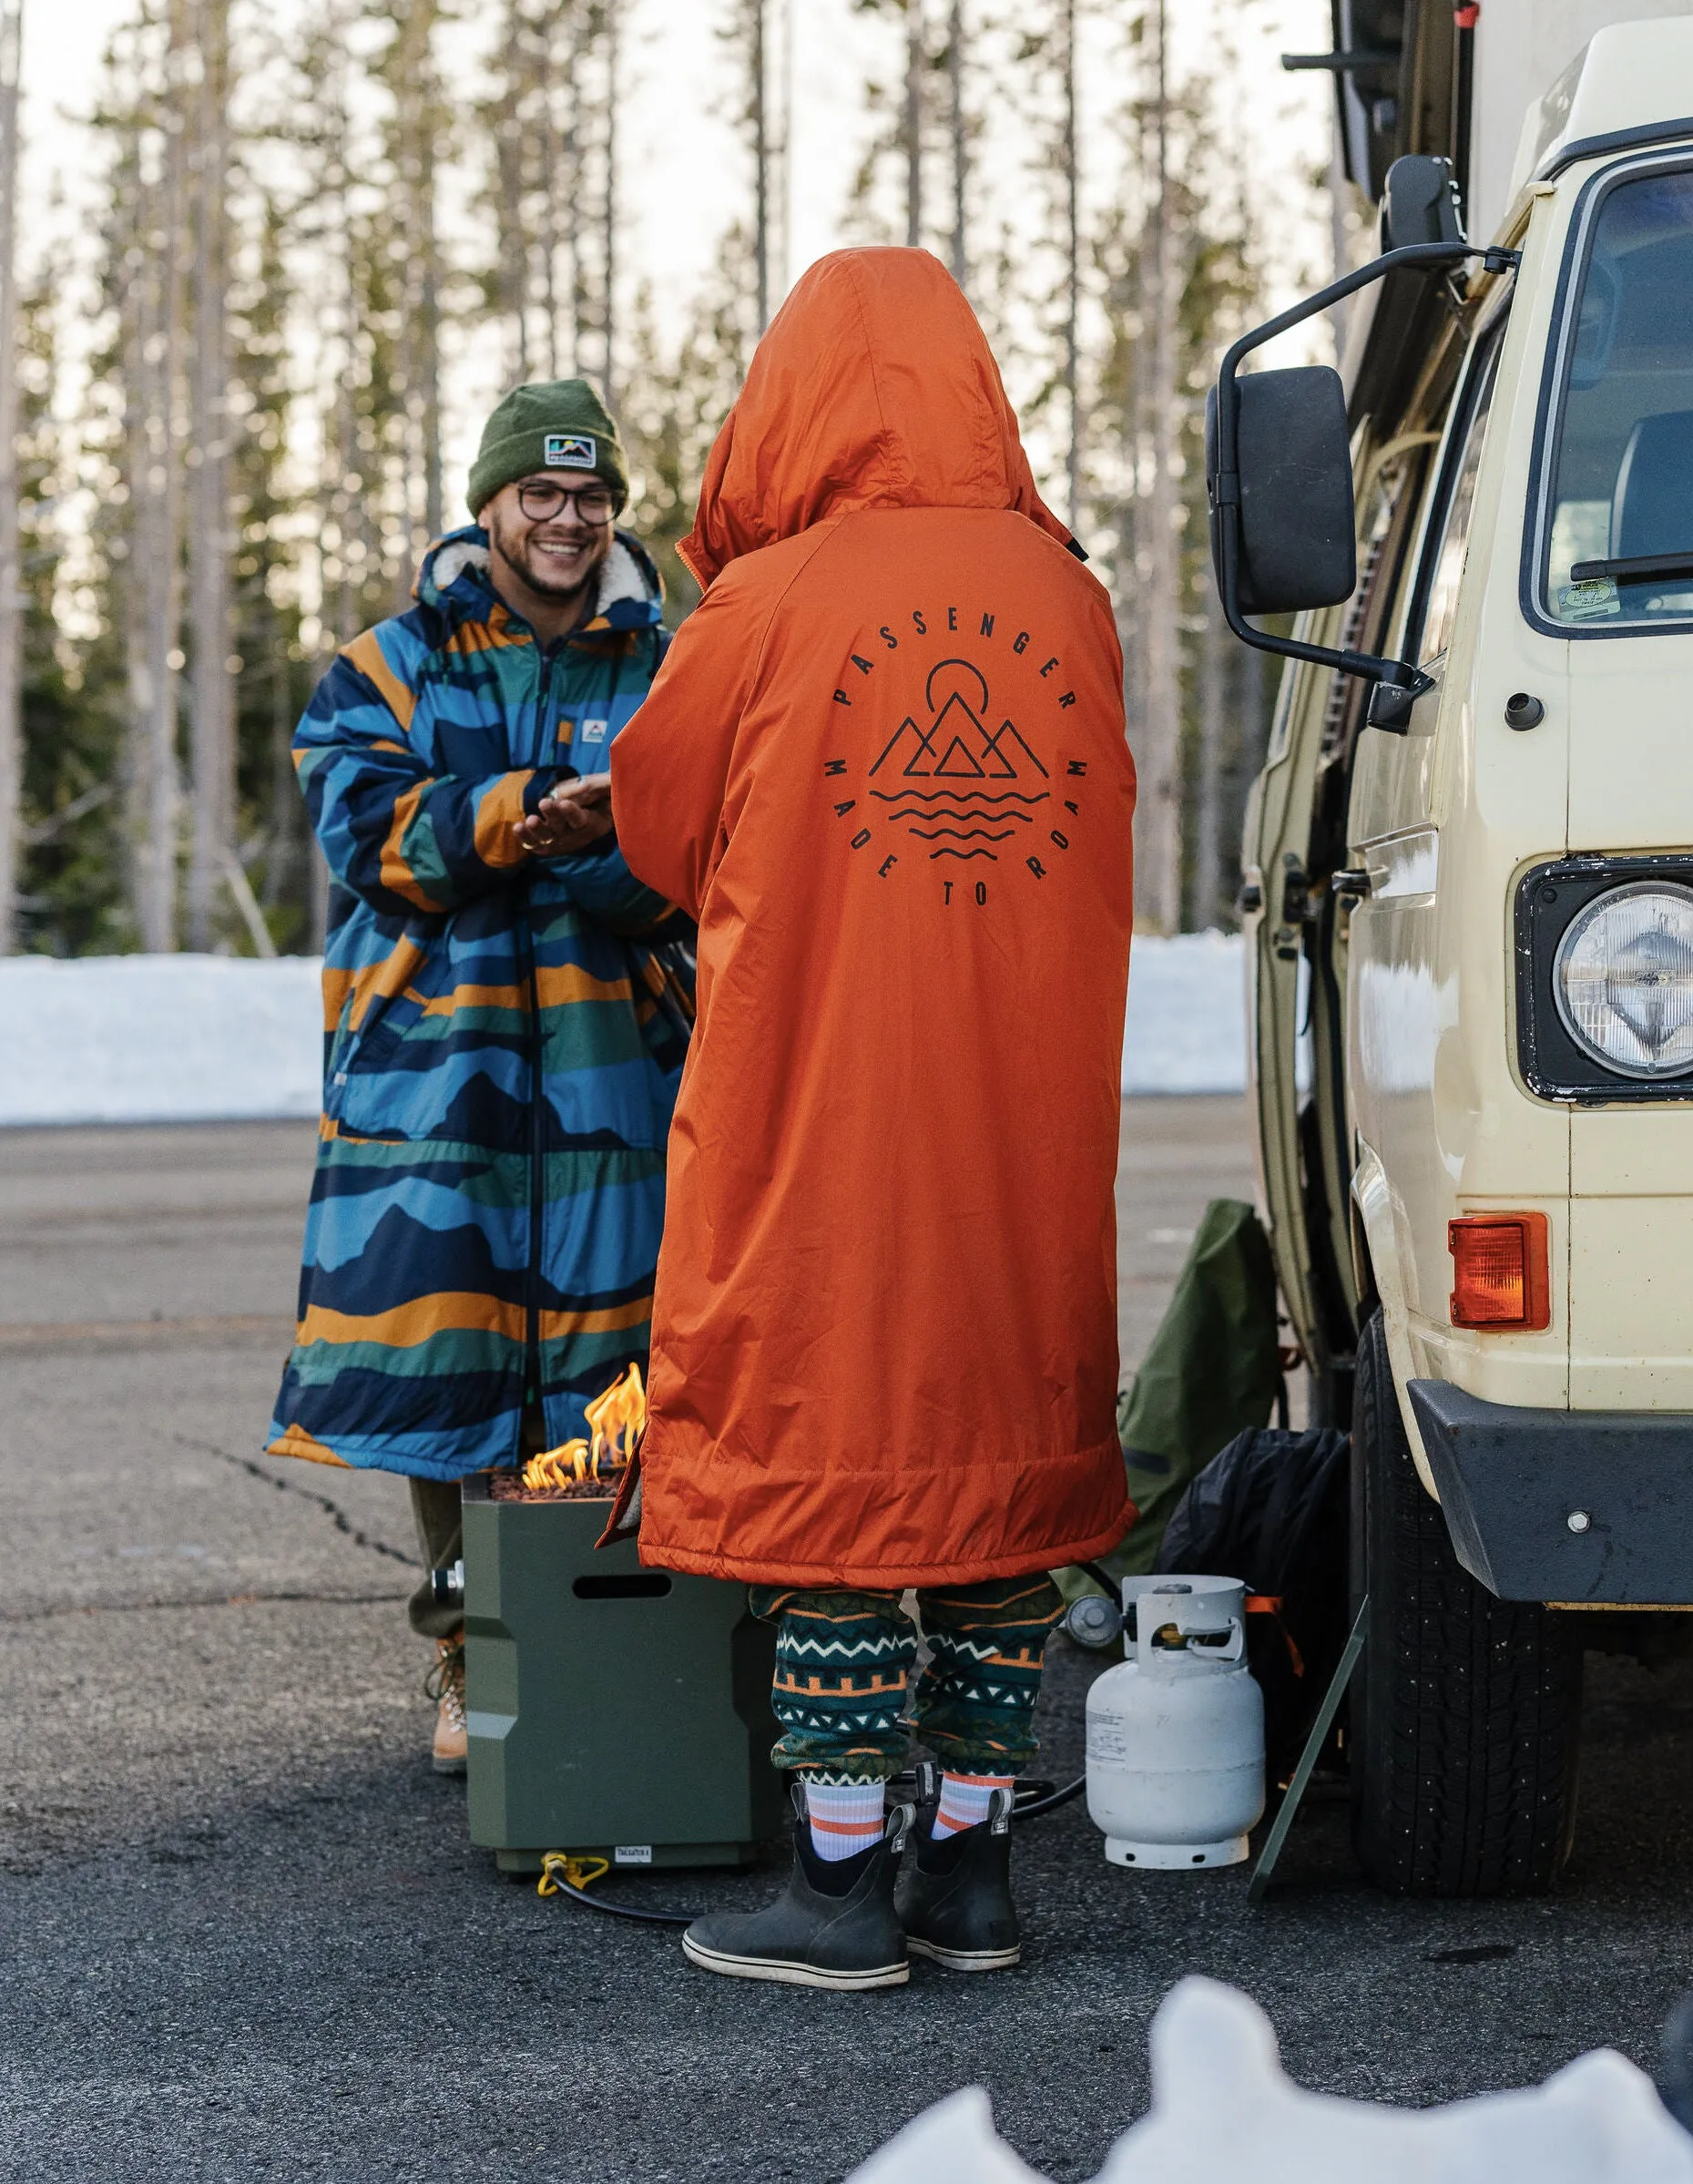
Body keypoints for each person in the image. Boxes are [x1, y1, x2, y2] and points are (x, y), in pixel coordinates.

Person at [576, 247, 1137, 1988]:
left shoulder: (764, 605)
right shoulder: (1068, 598)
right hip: (1022, 1128)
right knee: (987, 1483)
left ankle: (833, 1890)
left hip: (819, 1117)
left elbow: (658, 832)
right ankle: (966, 1866)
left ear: (797, 394)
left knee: (841, 1480)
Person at [267, 381, 691, 1775]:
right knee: (450, 1377)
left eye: (592, 498)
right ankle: (468, 1652)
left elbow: (697, 861)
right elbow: (371, 834)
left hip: (612, 1087)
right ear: (490, 505)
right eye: (542, 495)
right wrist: (524, 813)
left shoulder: (662, 669)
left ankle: (608, 1641)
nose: (568, 521)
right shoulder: (388, 665)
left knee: (607, 1367)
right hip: (433, 1089)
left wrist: (601, 845)